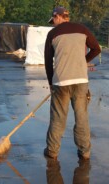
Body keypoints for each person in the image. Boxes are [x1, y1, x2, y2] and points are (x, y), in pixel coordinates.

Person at [44, 6, 101, 160]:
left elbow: (48, 62)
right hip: (81, 81)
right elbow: (96, 49)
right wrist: (84, 61)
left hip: (61, 82)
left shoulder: (52, 34)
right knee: (82, 118)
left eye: (53, 20)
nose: (53, 24)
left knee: (58, 119)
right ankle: (85, 153)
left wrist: (51, 83)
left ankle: (52, 151)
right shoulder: (82, 29)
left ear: (57, 16)